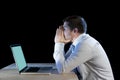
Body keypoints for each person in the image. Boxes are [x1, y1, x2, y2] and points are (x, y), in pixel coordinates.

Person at [53, 15, 114, 80]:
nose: (61, 32)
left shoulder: (85, 44)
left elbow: (62, 69)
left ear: (75, 31)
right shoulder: (80, 42)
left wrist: (58, 43)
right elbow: (61, 63)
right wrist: (61, 43)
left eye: (64, 29)